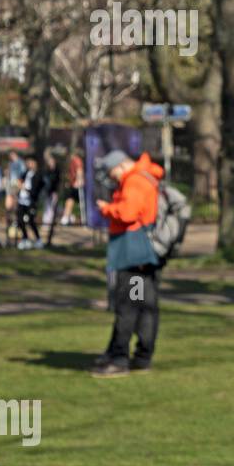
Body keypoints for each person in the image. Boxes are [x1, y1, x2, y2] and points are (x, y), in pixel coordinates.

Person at [91, 150, 163, 377]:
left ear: (120, 166)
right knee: (144, 305)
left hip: (132, 254)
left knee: (129, 306)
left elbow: (128, 213)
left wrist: (107, 209)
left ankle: (119, 358)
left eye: (112, 172)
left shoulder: (133, 182)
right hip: (142, 254)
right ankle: (142, 356)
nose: (112, 178)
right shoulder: (145, 177)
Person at [15, 154, 45, 249]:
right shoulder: (26, 173)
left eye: (30, 162)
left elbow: (35, 190)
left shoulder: (38, 175)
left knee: (31, 221)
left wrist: (24, 188)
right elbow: (20, 180)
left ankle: (38, 239)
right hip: (22, 200)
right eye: (28, 162)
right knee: (20, 220)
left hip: (31, 201)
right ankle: (25, 239)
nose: (29, 164)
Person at [59, 149, 83, 226]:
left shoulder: (76, 160)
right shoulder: (69, 162)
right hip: (72, 184)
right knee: (70, 199)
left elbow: (79, 171)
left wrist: (78, 181)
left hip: (78, 185)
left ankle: (68, 217)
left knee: (75, 201)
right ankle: (67, 217)